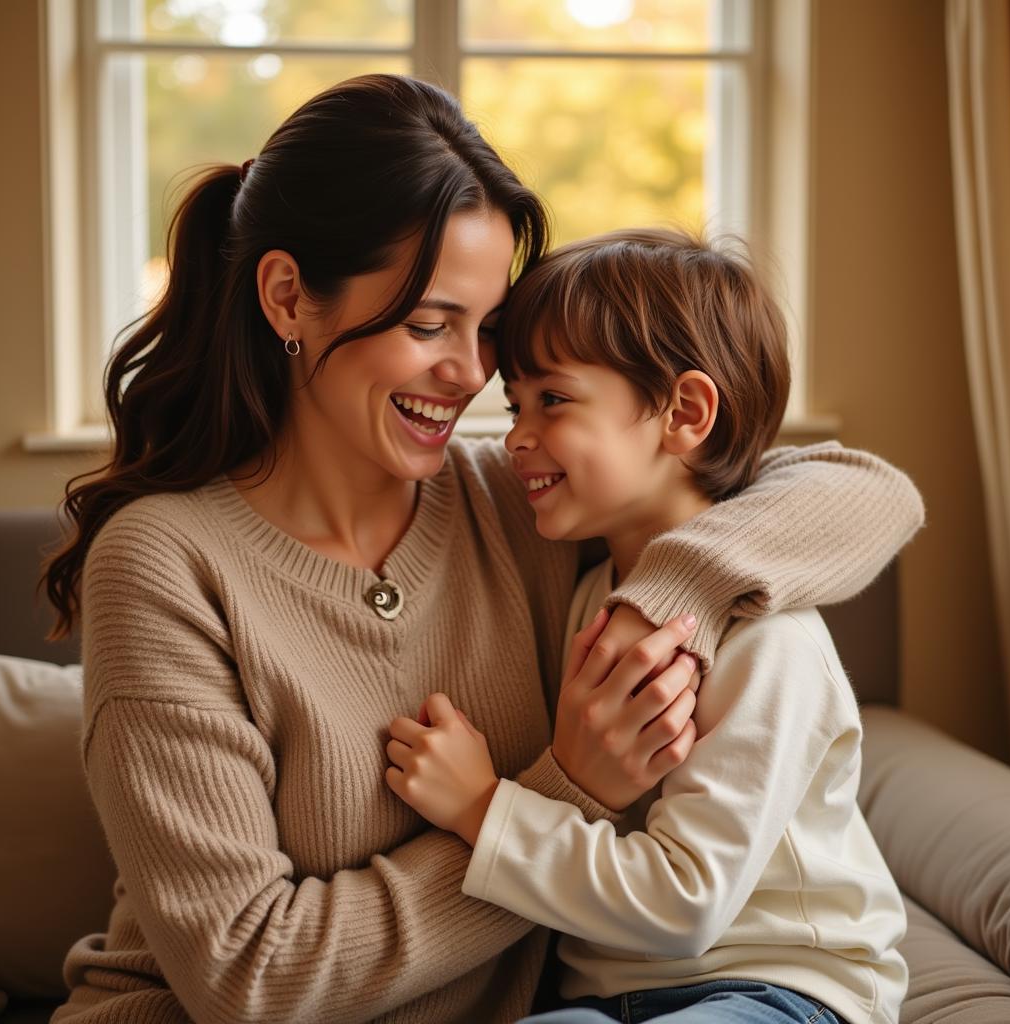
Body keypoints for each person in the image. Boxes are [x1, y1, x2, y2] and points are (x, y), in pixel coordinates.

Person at [41, 74, 921, 1024]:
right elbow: (254, 979)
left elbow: (866, 490)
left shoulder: (518, 500)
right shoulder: (165, 563)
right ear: (289, 297)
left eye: (487, 329)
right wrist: (562, 790)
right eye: (429, 325)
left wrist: (681, 592)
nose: (474, 377)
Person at [385, 229, 910, 1024]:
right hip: (608, 998)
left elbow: (686, 902)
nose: (517, 436)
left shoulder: (771, 640)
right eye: (514, 404)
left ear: (686, 412)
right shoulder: (588, 589)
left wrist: (484, 810)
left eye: (553, 400)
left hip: (778, 988)